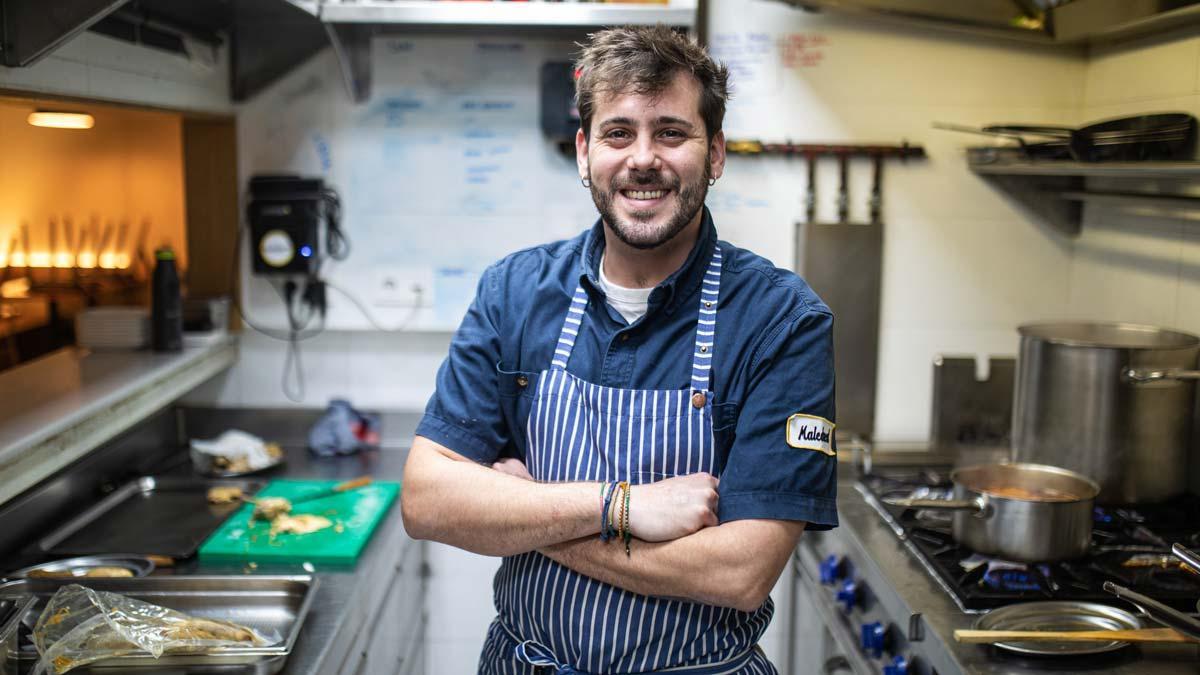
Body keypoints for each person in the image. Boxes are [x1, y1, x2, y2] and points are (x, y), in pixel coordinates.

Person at [401, 25, 838, 674]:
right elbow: (426, 500)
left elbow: (742, 571)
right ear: (583, 152)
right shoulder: (514, 291)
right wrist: (620, 505)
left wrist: (525, 514)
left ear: (715, 154)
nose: (642, 158)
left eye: (671, 132)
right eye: (617, 133)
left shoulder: (784, 321)